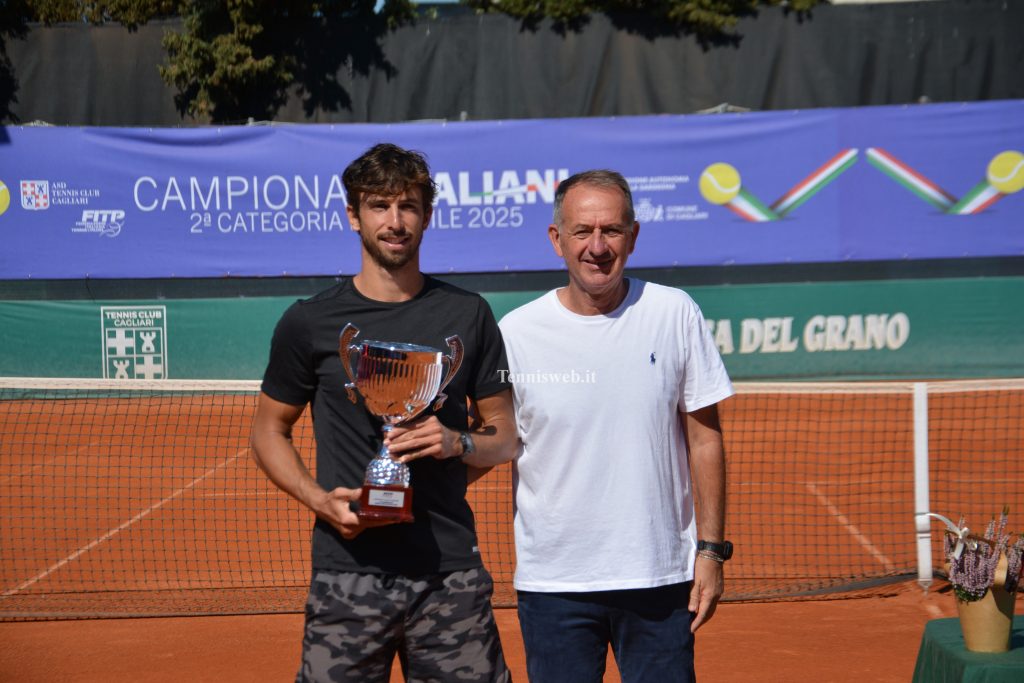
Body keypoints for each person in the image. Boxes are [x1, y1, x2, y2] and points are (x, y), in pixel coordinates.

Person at [250, 142, 516, 683]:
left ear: (427, 215)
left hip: (449, 576)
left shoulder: (469, 314)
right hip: (347, 575)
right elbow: (267, 431)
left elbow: (506, 436)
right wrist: (321, 501)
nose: (395, 222)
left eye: (409, 206)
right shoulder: (310, 322)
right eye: (378, 206)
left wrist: (456, 443)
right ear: (353, 215)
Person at [498, 169, 734, 683]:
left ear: (634, 235)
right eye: (583, 231)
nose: (597, 246)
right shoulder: (514, 334)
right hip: (554, 586)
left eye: (612, 230)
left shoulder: (675, 313)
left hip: (660, 580)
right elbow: (495, 441)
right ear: (556, 239)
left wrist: (712, 551)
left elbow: (704, 438)